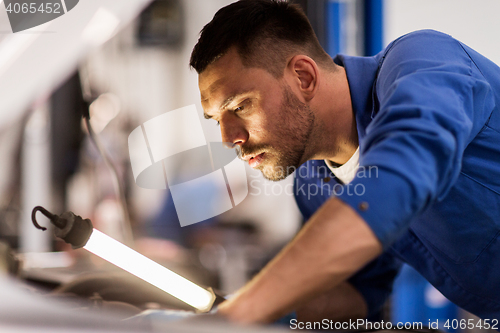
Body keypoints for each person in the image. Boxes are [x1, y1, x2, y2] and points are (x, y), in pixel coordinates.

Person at [189, 0, 500, 324]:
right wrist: (243, 313)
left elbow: (394, 184)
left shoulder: (425, 61)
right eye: (216, 120)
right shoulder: (314, 185)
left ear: (304, 77)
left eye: (240, 106)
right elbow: (358, 292)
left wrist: (236, 315)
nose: (228, 138)